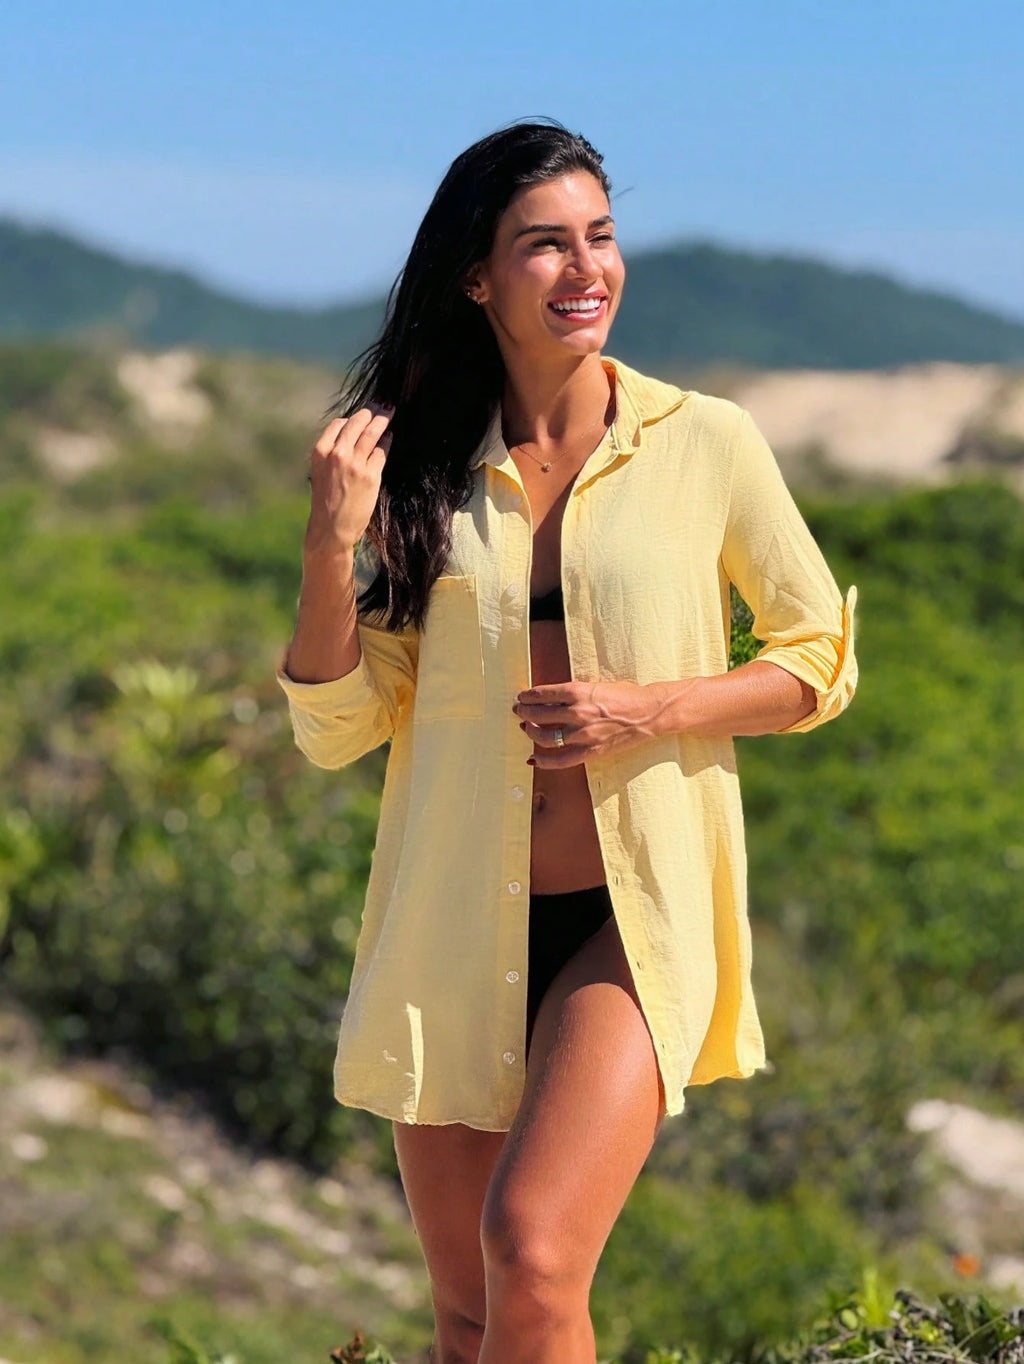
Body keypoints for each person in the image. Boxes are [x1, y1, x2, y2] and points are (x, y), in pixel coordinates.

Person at [276, 117, 858, 1364]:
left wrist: (651, 707)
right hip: (451, 922)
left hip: (631, 919)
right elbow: (338, 727)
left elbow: (817, 659)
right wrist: (331, 544)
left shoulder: (705, 440)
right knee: (468, 1316)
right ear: (476, 277)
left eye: (601, 235)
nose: (587, 267)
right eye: (545, 243)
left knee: (533, 1255)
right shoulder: (420, 462)